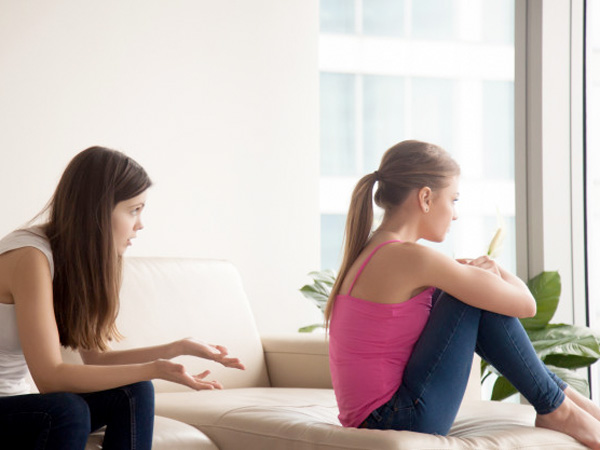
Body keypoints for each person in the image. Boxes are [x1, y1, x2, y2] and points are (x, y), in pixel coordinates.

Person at [326, 140, 600, 448]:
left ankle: (564, 402)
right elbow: (526, 305)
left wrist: (478, 276)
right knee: (466, 297)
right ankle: (558, 409)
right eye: (453, 200)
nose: (455, 214)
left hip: (382, 417)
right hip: (398, 419)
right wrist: (495, 269)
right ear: (425, 198)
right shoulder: (410, 257)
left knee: (464, 292)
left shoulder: (375, 251)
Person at [0, 146, 245, 449]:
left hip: (17, 406)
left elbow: (97, 360)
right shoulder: (29, 257)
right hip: (13, 408)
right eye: (133, 210)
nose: (140, 224)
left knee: (134, 391)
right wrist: (153, 368)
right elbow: (51, 378)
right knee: (67, 411)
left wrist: (176, 348)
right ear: (98, 210)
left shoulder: (74, 260)